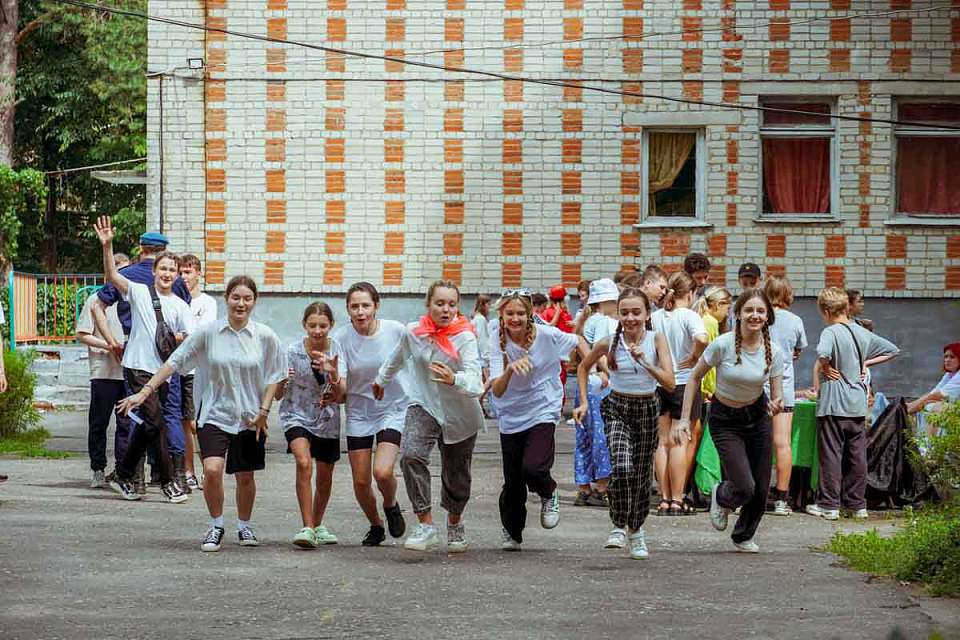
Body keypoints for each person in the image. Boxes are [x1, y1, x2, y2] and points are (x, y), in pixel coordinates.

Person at [118, 275, 286, 551]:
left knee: (245, 477)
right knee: (212, 470)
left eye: (247, 298)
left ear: (254, 302)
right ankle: (216, 525)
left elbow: (276, 375)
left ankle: (244, 526)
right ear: (226, 299)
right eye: (235, 297)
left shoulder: (265, 336)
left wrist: (265, 411)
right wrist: (145, 391)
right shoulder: (209, 333)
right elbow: (175, 361)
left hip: (250, 418)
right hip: (214, 414)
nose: (240, 303)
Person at [374, 280, 484, 553]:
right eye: (440, 303)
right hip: (423, 403)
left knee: (456, 473)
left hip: (460, 413)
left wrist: (454, 378)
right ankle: (425, 523)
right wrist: (381, 380)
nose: (446, 310)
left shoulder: (466, 337)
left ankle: (455, 523)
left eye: (452, 304)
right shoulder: (414, 332)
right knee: (411, 454)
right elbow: (397, 357)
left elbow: (477, 383)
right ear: (428, 304)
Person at [92, 217, 193, 504]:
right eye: (163, 268)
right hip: (137, 366)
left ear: (176, 275)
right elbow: (112, 276)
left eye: (172, 269)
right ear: (155, 270)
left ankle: (124, 475)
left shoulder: (180, 305)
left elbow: (189, 338)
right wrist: (107, 246)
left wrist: (179, 338)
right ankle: (169, 483)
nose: (166, 273)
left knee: (148, 424)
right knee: (157, 421)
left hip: (164, 372)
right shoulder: (138, 292)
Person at [678, 288, 785, 553]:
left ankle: (743, 536)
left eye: (760, 311)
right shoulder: (723, 344)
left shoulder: (775, 351)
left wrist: (776, 403)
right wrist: (684, 419)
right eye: (749, 310)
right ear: (738, 314)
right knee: (744, 486)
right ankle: (721, 494)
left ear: (768, 317)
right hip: (725, 418)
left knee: (761, 489)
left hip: (757, 416)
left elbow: (777, 393)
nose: (755, 315)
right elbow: (694, 377)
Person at [574, 288, 675, 559]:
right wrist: (583, 402)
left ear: (647, 314)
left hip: (646, 407)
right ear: (617, 314)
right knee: (621, 465)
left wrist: (646, 363)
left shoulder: (657, 340)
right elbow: (583, 367)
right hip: (617, 406)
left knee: (641, 477)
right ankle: (618, 524)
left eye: (636, 312)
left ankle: (636, 530)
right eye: (625, 312)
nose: (630, 318)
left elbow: (669, 382)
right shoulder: (609, 341)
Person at [489, 291, 585, 551]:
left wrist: (595, 366)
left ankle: (548, 491)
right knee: (513, 481)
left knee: (534, 467)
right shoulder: (495, 339)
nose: (515, 318)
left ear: (530, 314)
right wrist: (510, 368)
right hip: (510, 411)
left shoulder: (546, 335)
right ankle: (512, 532)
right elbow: (496, 390)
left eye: (521, 313)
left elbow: (577, 340)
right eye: (510, 313)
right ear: (502, 315)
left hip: (543, 406)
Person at [806, 287, 899, 521]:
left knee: (831, 455)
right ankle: (857, 504)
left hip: (833, 404)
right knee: (857, 456)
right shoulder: (860, 332)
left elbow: (822, 354)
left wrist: (825, 366)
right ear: (845, 307)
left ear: (826, 311)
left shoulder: (831, 332)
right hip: (857, 404)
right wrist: (864, 363)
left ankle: (829, 504)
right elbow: (892, 350)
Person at [333, 282, 409, 546]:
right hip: (359, 412)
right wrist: (333, 380)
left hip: (392, 408)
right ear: (348, 309)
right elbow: (341, 388)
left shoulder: (395, 331)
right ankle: (376, 525)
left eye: (365, 305)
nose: (360, 311)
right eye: (355, 306)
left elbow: (416, 358)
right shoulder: (341, 338)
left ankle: (390, 504)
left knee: (383, 472)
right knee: (361, 481)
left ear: (376, 306)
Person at [276, 302, 347, 548]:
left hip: (326, 417)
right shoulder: (292, 351)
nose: (317, 330)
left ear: (331, 326)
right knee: (303, 462)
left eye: (323, 326)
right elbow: (276, 393)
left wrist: (334, 373)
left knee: (325, 476)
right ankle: (306, 526)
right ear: (304, 325)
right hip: (295, 413)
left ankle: (317, 524)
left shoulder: (338, 350)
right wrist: (283, 381)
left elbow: (343, 394)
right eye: (312, 325)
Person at [651, 271, 708, 516]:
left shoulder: (655, 317)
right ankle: (677, 498)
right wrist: (696, 355)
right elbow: (703, 338)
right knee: (679, 442)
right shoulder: (689, 315)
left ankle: (663, 497)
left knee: (662, 442)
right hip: (685, 383)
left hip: (659, 383)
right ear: (691, 293)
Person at [77, 252, 131, 489]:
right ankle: (98, 468)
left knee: (127, 424)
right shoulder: (95, 300)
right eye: (119, 271)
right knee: (99, 422)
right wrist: (109, 346)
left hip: (129, 371)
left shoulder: (133, 299)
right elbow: (82, 333)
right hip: (103, 371)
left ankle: (122, 470)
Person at [764, 276, 807, 516]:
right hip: (785, 387)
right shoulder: (795, 320)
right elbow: (798, 349)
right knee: (782, 443)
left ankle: (746, 496)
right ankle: (781, 498)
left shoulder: (757, 314)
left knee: (753, 442)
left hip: (757, 387)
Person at [574, 278, 619, 507]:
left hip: (585, 383)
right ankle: (602, 487)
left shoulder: (588, 319)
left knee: (584, 437)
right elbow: (601, 351)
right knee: (601, 435)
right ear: (608, 301)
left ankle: (583, 487)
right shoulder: (603, 321)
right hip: (598, 385)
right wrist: (609, 372)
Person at [178, 254, 219, 491]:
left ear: (198, 274)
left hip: (199, 369)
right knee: (185, 422)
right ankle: (189, 471)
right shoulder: (176, 300)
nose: (184, 277)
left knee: (198, 422)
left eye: (188, 272)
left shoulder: (206, 303)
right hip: (180, 368)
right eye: (181, 272)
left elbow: (201, 334)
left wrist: (182, 335)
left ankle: (208, 469)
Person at [689, 285, 732, 496]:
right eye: (727, 307)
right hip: (706, 392)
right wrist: (711, 389)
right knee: (703, 443)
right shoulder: (711, 322)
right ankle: (700, 488)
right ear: (717, 305)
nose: (728, 313)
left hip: (701, 389)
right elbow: (710, 363)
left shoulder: (703, 320)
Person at [907, 343, 960, 440]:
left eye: (952, 357)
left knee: (939, 406)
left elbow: (938, 395)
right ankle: (924, 443)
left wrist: (912, 407)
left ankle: (929, 446)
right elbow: (933, 393)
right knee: (929, 405)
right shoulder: (949, 375)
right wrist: (911, 404)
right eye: (946, 357)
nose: (947, 360)